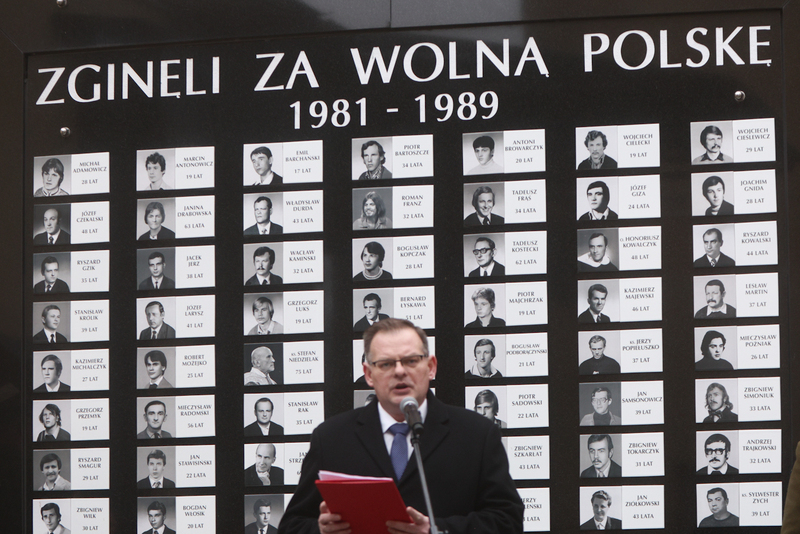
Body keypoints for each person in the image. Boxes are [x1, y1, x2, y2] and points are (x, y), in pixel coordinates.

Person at [280, 318, 524, 533]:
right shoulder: (332, 438)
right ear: (368, 374)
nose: (399, 372)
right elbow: (293, 525)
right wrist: (322, 531)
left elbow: (508, 521)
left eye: (410, 360)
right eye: (385, 364)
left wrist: (436, 530)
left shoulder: (477, 434)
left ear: (430, 367)